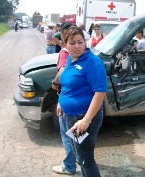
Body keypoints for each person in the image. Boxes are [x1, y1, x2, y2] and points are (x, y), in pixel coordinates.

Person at [58, 27, 107, 177]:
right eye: (72, 43)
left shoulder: (93, 62)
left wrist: (86, 120)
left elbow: (100, 93)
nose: (77, 46)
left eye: (80, 42)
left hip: (83, 118)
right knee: (78, 155)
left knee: (85, 159)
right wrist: (61, 102)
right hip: (70, 115)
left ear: (85, 43)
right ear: (65, 44)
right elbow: (68, 84)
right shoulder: (70, 58)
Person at [52, 22, 77, 175]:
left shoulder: (65, 52)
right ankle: (80, 157)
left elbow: (61, 72)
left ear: (63, 34)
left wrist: (54, 83)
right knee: (75, 134)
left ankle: (69, 166)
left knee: (68, 134)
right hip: (79, 102)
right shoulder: (84, 54)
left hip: (69, 102)